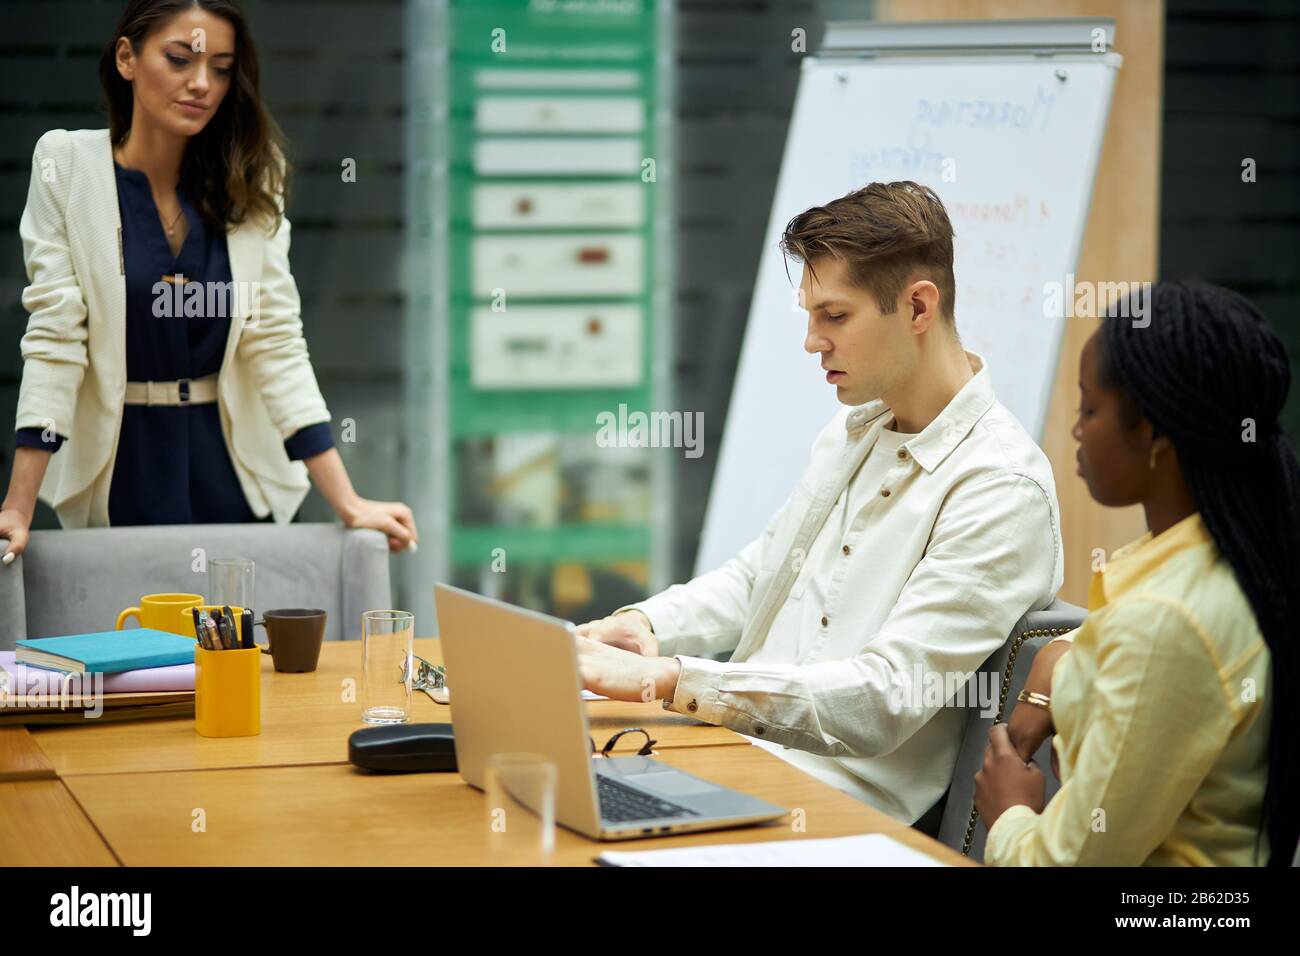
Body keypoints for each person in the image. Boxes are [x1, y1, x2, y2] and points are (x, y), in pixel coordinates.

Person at [574, 181, 1064, 827]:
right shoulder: (854, 430)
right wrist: (648, 627)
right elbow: (762, 576)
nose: (812, 341)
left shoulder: (999, 487)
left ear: (919, 307)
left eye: (834, 316)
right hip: (738, 762)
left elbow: (886, 698)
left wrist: (670, 680)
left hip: (831, 812)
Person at [0, 0, 417, 564]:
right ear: (127, 57)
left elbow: (275, 342)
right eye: (179, 59)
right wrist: (18, 508)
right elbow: (55, 339)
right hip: (123, 468)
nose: (202, 84)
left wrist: (347, 501)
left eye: (221, 68)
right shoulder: (66, 166)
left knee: (239, 648)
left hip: (233, 467)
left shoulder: (252, 169)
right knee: (129, 639)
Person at [975, 280, 1297, 866]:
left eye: (1089, 408)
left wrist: (1011, 811)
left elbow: (1068, 863)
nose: (1076, 430)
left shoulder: (1165, 621)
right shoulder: (1235, 554)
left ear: (1150, 432)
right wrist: (1055, 661)